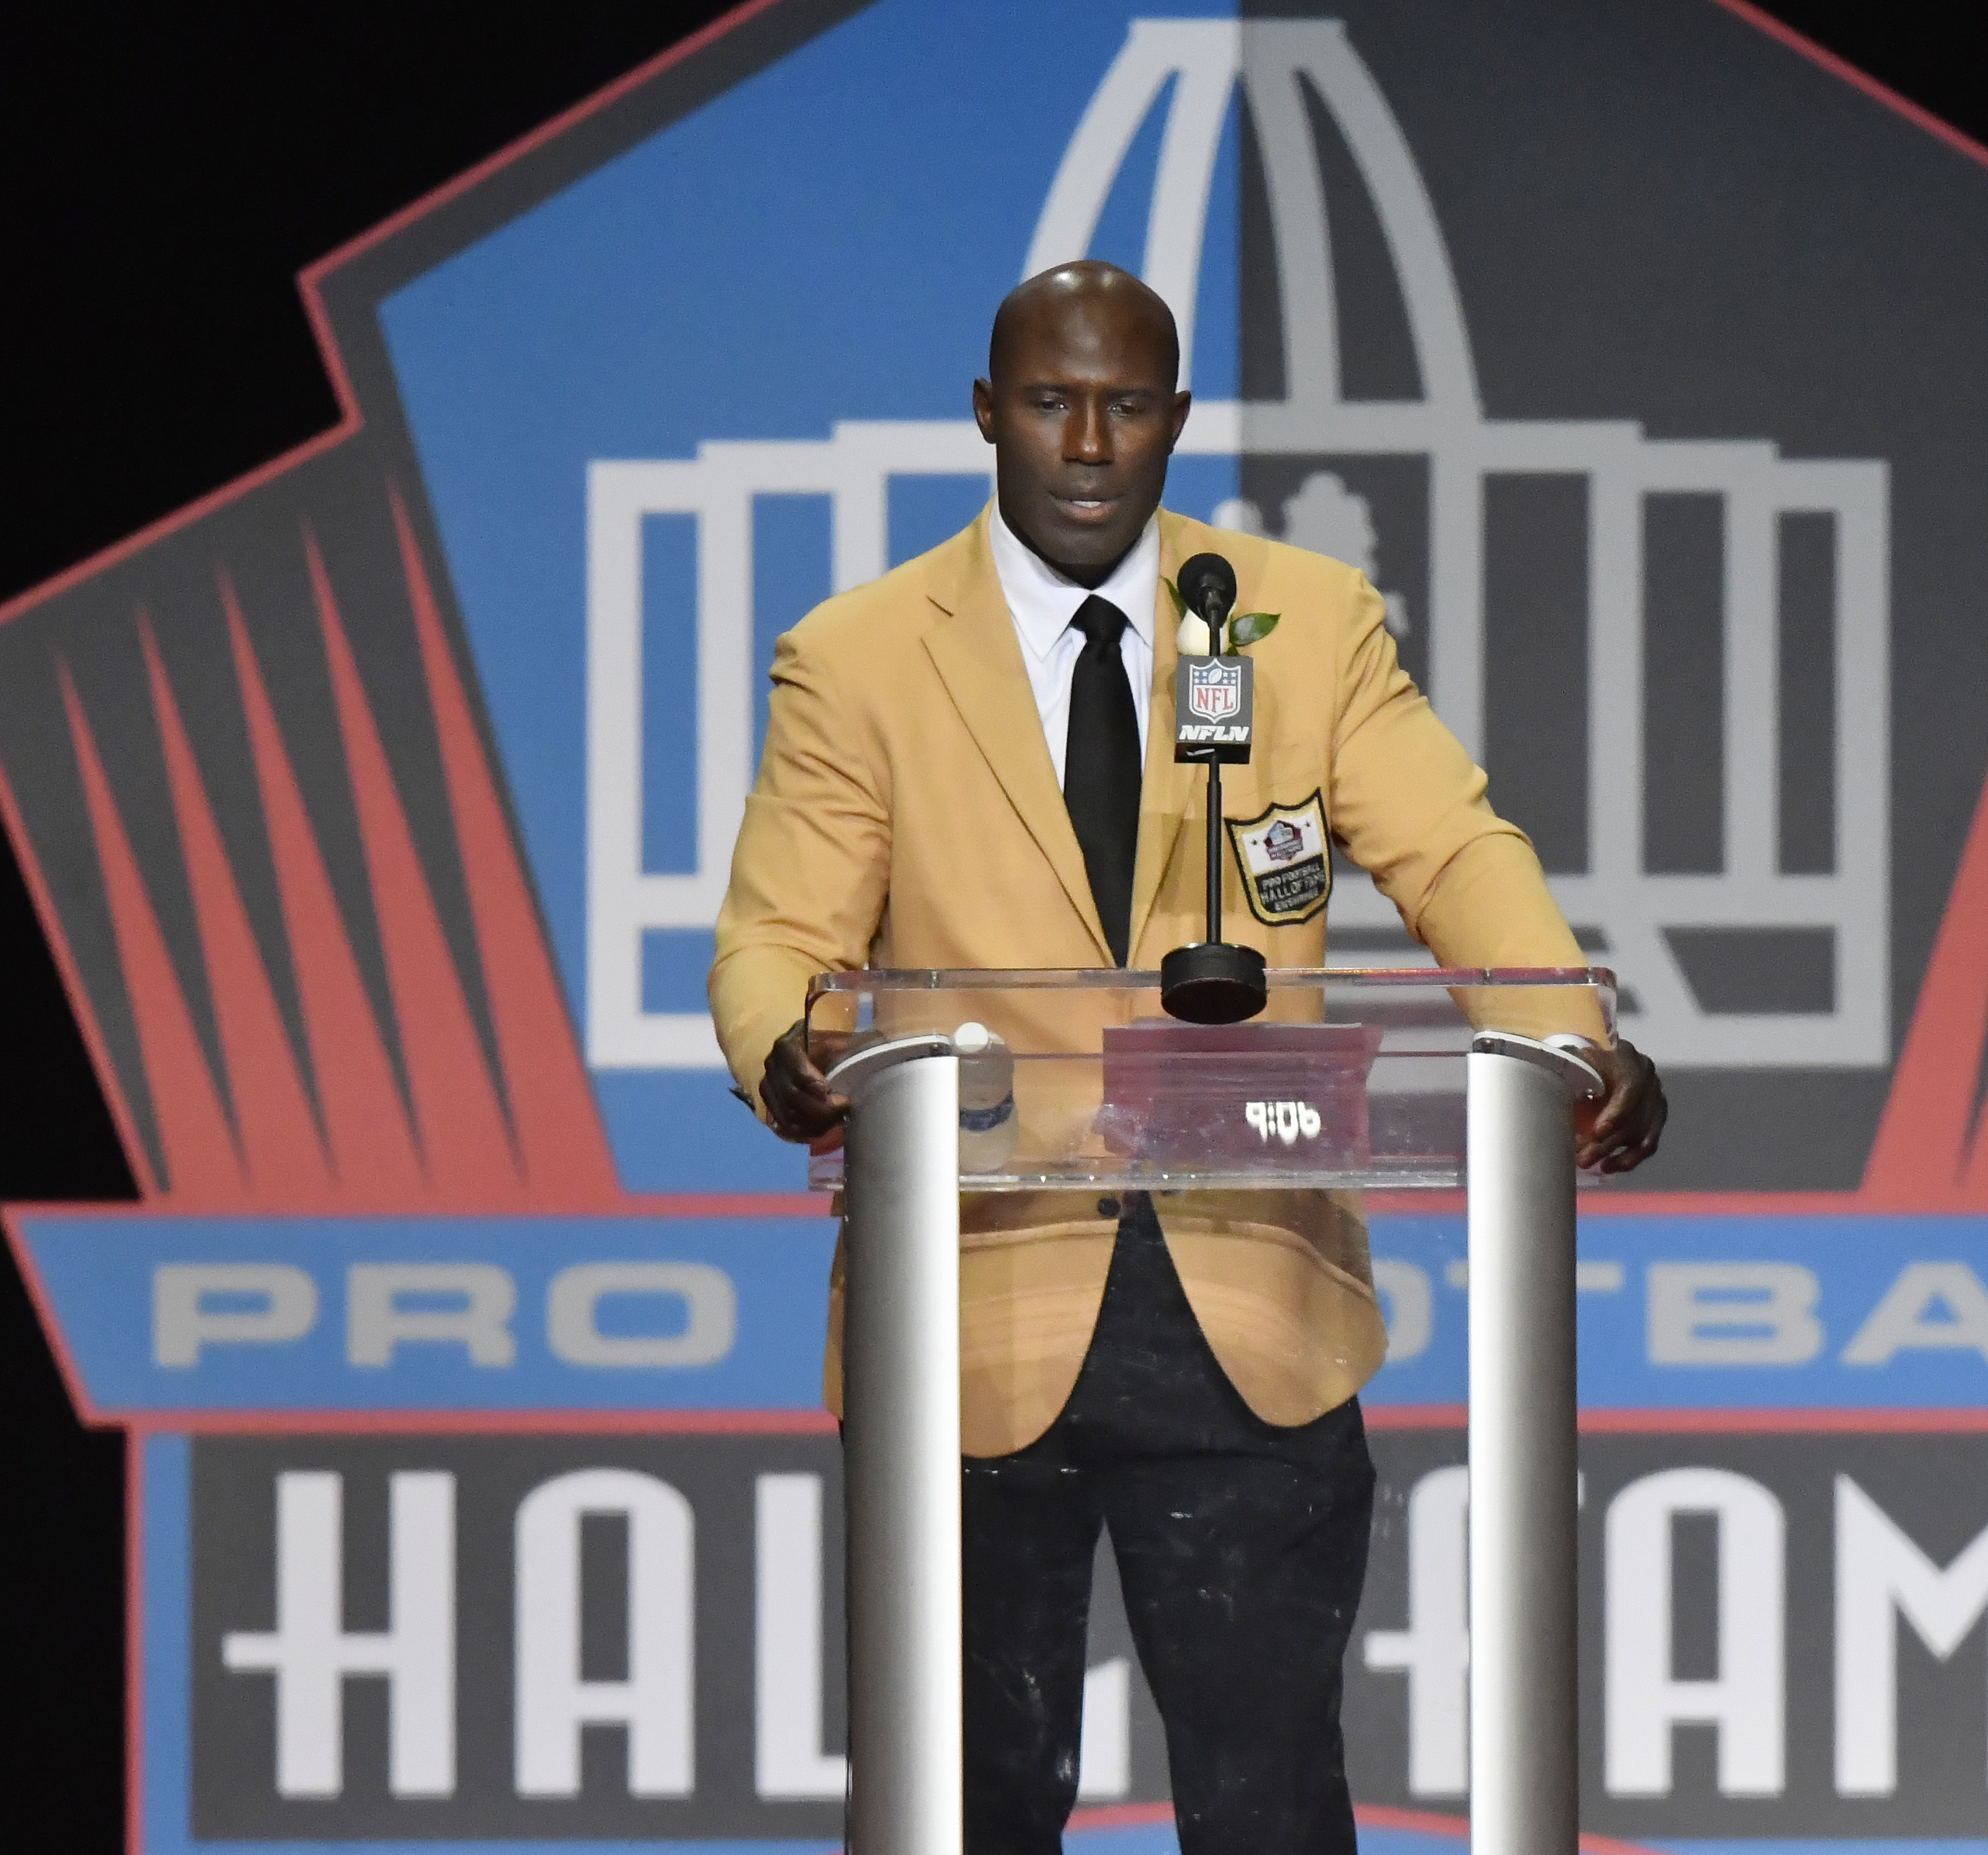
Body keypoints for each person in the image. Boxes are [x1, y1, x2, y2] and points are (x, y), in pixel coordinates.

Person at [710, 260, 1665, 1854]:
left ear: (1176, 424)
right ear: (984, 417)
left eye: (1128, 405)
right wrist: (789, 1052)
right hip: (968, 1306)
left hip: (1247, 1298)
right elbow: (774, 935)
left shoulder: (1295, 619)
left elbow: (1453, 850)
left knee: (1270, 1804)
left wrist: (1567, 1032)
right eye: (1049, 402)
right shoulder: (862, 657)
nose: (1087, 442)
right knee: (969, 1808)